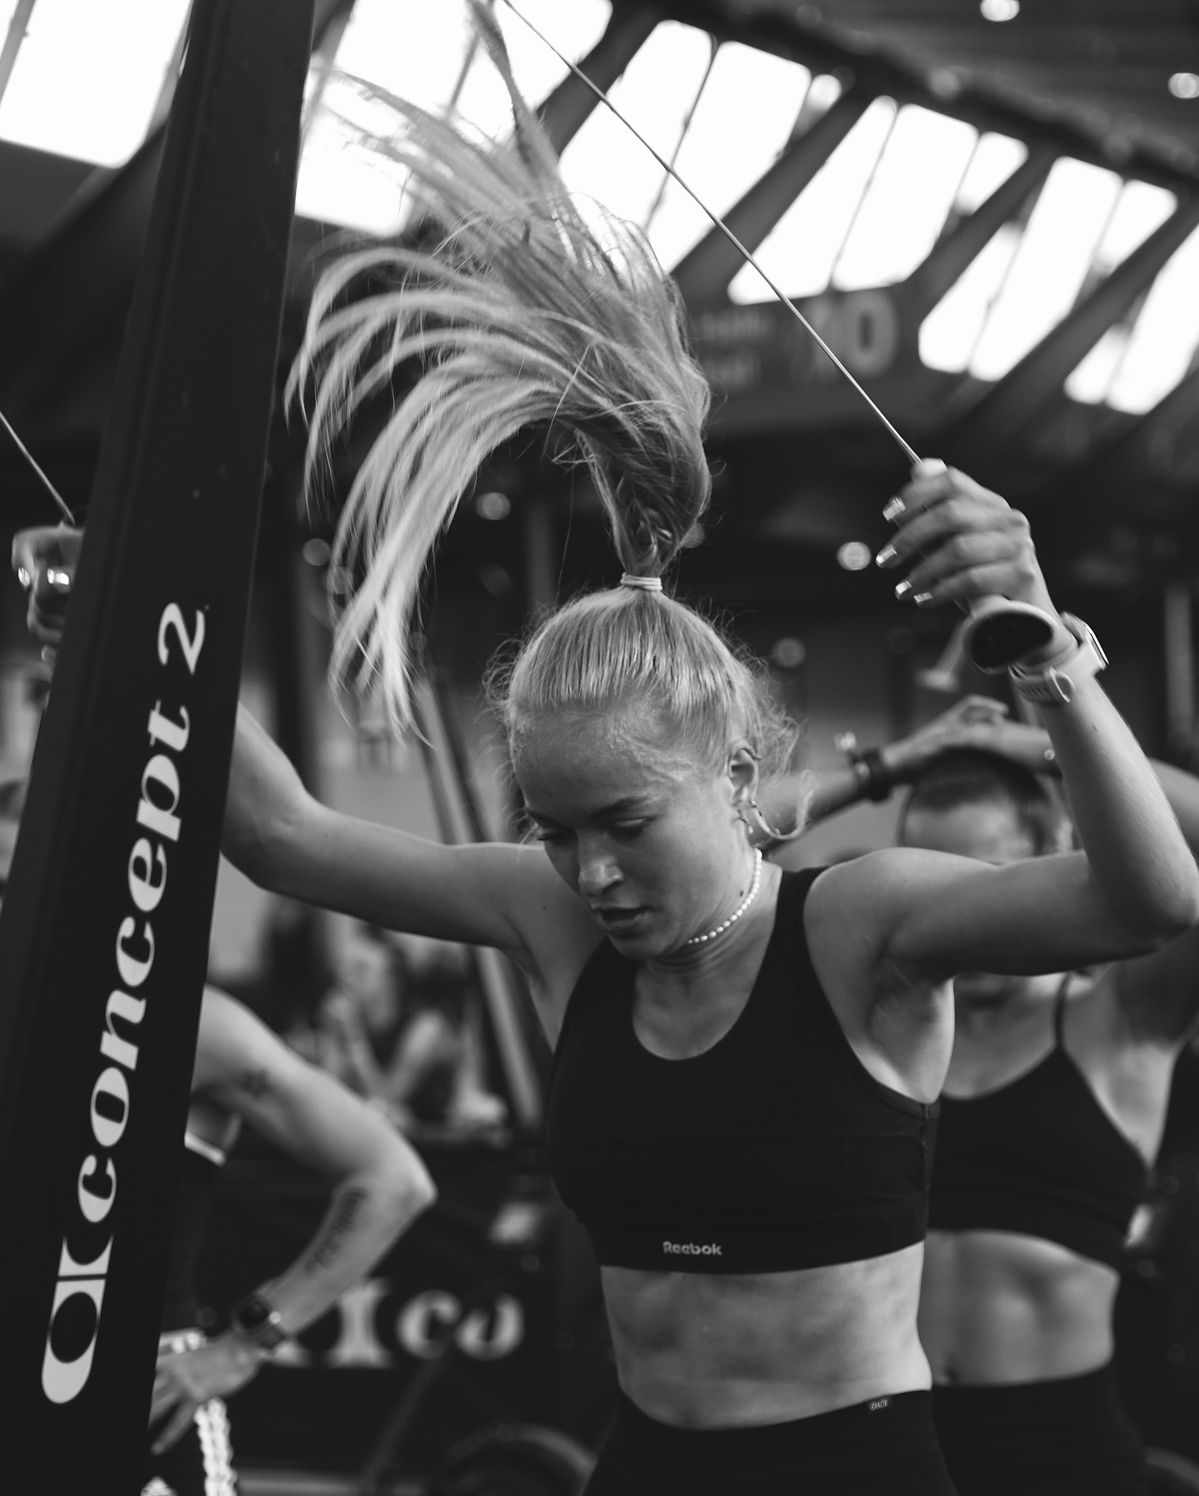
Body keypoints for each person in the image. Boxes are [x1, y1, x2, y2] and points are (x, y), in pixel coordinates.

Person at [12, 10, 1199, 1490]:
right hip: (639, 1463)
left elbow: (1147, 903)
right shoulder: (549, 911)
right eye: (556, 827)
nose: (590, 869)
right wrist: (129, 632)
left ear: (740, 780)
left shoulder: (864, 923)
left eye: (623, 822)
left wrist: (1040, 639)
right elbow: (286, 840)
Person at [774, 695, 1199, 1494]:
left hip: (1063, 1453)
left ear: (1063, 856)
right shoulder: (867, 1018)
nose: (964, 907)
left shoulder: (1120, 1019)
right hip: (884, 1447)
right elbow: (715, 847)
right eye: (934, 878)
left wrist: (1039, 743)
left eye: (992, 876)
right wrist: (890, 764)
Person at [0, 789, 437, 1496]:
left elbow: (390, 1179)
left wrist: (244, 1344)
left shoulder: (186, 1027)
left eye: (18, 886)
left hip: (138, 1400)